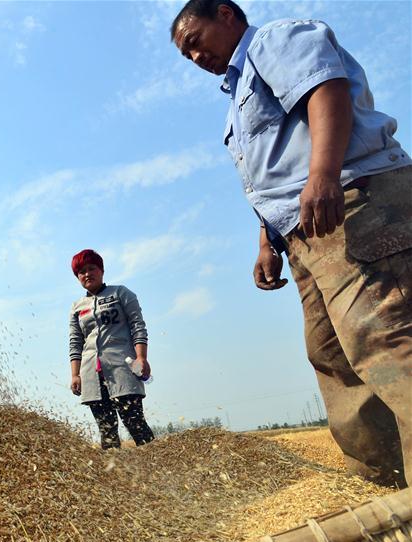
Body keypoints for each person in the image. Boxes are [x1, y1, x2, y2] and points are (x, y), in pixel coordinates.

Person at [171, 0, 411, 487]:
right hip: (304, 231)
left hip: (352, 201)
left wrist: (323, 174)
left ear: (225, 14)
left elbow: (326, 91)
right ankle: (381, 490)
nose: (195, 58)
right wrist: (267, 241)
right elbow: (270, 175)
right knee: (330, 355)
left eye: (196, 42)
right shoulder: (235, 97)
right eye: (185, 55)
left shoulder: (272, 41)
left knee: (382, 339)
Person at [68, 249, 155, 449]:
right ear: (77, 277)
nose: (87, 274)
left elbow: (137, 326)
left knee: (135, 423)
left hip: (122, 368)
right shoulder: (77, 307)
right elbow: (75, 342)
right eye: (82, 271)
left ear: (101, 270)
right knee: (106, 431)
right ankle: (115, 476)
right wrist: (75, 374)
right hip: (91, 374)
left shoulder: (121, 294)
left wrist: (141, 357)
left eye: (92, 268)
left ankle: (157, 468)